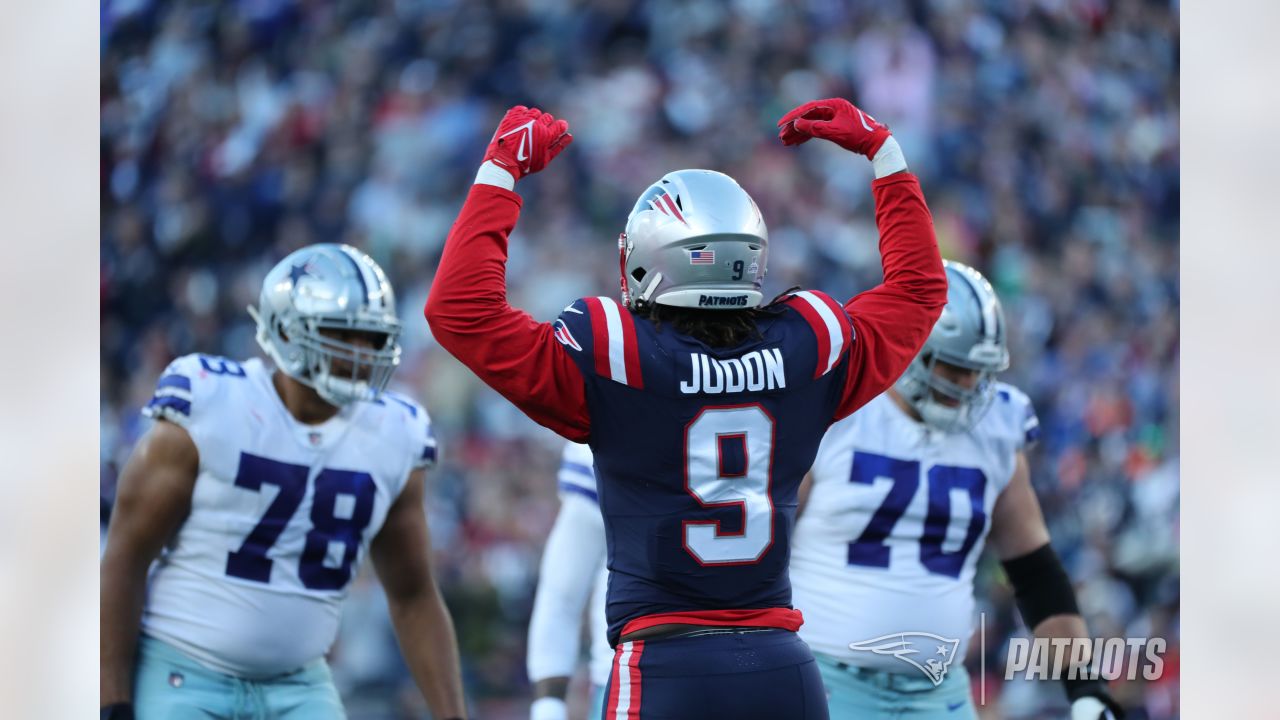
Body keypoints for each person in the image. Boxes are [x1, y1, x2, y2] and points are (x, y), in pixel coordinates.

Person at [424, 98, 948, 718]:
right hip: (782, 668)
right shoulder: (809, 345)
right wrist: (885, 156)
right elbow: (919, 289)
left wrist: (500, 173)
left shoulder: (615, 357)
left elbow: (460, 309)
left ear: (650, 258)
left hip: (664, 666)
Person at [100, 244, 467, 720]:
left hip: (299, 685)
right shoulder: (212, 406)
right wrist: (113, 700)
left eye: (371, 339)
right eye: (342, 333)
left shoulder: (395, 436)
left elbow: (413, 593)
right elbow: (125, 558)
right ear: (285, 329)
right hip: (182, 672)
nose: (359, 354)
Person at [789, 261, 1125, 720]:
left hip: (938, 693)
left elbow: (1034, 570)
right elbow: (767, 546)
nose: (967, 386)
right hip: (823, 680)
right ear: (910, 347)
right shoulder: (839, 412)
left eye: (976, 371)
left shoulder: (997, 428)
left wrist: (1085, 687)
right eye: (953, 368)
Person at [526, 442, 612, 720]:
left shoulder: (613, 429)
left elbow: (560, 595)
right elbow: (562, 593)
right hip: (630, 677)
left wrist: (548, 709)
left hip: (633, 675)